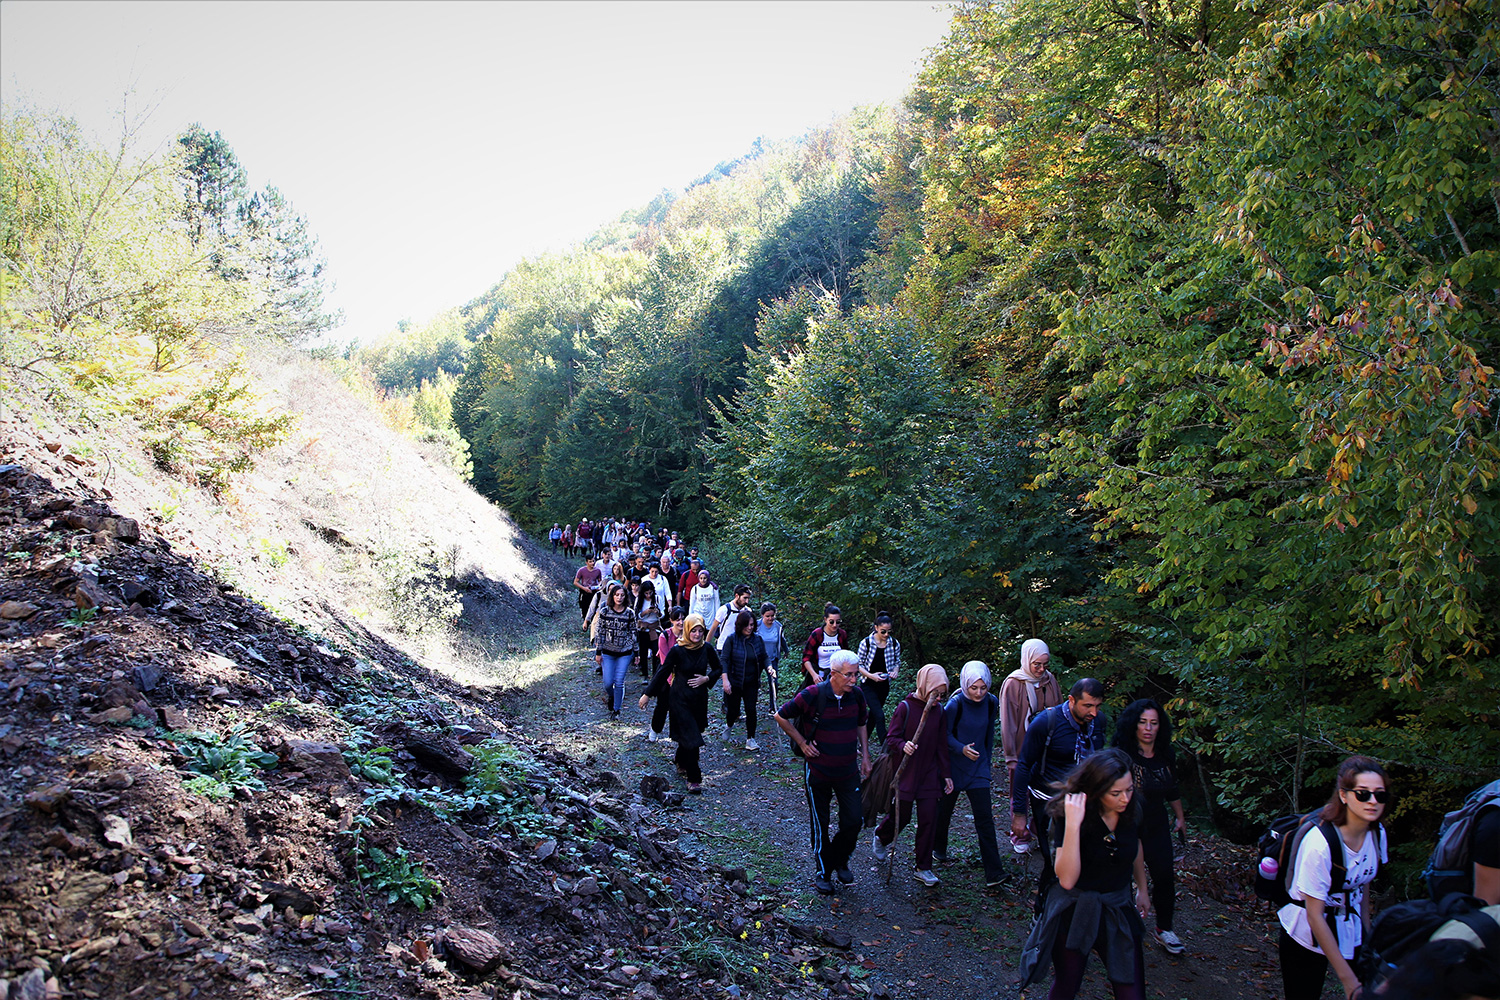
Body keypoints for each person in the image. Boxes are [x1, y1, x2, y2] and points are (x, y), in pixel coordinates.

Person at [1017, 748, 1150, 1000]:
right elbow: (1066, 879)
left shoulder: (1132, 810)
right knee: (1068, 982)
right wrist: (1074, 825)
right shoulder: (1070, 813)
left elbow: (1135, 847)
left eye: (1129, 789)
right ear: (1096, 791)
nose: (1125, 798)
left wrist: (1142, 888)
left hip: (1116, 906)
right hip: (1075, 908)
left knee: (1131, 988)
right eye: (1116, 793)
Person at [1279, 756, 1389, 1000]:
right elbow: (1314, 914)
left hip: (1352, 925)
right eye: (1362, 794)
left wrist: (1367, 938)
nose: (1372, 801)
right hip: (1305, 933)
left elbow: (1363, 885)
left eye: (1379, 795)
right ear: (1343, 795)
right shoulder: (1319, 844)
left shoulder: (1377, 833)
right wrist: (1348, 980)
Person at [774, 648, 871, 895]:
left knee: (854, 820)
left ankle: (838, 858)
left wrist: (866, 756)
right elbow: (781, 715)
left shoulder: (857, 696)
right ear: (833, 674)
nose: (853, 679)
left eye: (855, 674)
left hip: (848, 770)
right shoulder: (813, 694)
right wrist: (803, 743)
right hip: (818, 772)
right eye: (849, 675)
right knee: (821, 822)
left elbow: (862, 723)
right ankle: (823, 872)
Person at [1012, 678, 1109, 913]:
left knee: (1083, 856)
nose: (1093, 712)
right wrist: (1019, 813)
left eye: (1097, 706)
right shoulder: (1047, 722)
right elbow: (1024, 765)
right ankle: (1043, 910)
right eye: (1088, 706)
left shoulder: (1098, 723)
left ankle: (1076, 910)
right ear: (1072, 700)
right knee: (1053, 858)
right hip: (1047, 800)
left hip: (1083, 802)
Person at [1109, 699, 1188, 955]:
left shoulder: (1165, 753)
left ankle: (1164, 928)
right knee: (1121, 875)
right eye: (1143, 722)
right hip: (1126, 820)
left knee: (1164, 874)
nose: (1148, 728)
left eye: (1154, 723)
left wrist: (1180, 817)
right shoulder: (1123, 754)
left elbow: (1172, 788)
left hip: (1156, 821)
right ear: (1134, 724)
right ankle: (1116, 927)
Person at [871, 664, 954, 886]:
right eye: (935, 693)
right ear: (925, 686)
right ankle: (882, 836)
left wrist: (946, 774)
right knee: (903, 816)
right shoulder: (905, 707)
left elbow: (941, 744)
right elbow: (891, 737)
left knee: (929, 818)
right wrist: (903, 745)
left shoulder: (939, 711)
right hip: (906, 771)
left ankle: (923, 867)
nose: (938, 698)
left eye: (941, 695)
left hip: (928, 773)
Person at [933, 660, 1004, 887]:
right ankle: (938, 848)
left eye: (983, 688)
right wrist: (961, 748)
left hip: (978, 768)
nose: (979, 693)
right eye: (974, 688)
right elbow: (942, 735)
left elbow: (989, 735)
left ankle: (994, 872)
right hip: (953, 768)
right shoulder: (955, 704)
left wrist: (987, 762)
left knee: (984, 817)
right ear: (965, 684)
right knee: (944, 812)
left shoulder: (991, 702)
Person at [639, 614, 721, 793]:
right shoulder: (677, 650)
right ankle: (694, 779)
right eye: (694, 631)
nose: (697, 635)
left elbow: (719, 668)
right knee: (692, 737)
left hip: (698, 699)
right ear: (687, 630)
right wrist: (647, 694)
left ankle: (680, 758)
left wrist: (706, 679)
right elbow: (663, 671)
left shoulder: (706, 648)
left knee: (692, 732)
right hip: (679, 698)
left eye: (700, 631)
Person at [1001, 637, 1063, 855]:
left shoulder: (1050, 681)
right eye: (1036, 664)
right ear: (1027, 660)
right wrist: (1011, 754)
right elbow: (1008, 722)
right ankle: (1019, 833)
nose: (1041, 669)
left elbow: (1060, 711)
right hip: (1022, 747)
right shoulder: (1013, 683)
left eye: (1044, 664)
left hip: (1047, 749)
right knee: (1019, 792)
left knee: (1045, 789)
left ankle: (1041, 829)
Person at [719, 610, 768, 749]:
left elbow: (764, 656)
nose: (750, 628)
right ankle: (729, 725)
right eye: (746, 625)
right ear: (740, 625)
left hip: (751, 682)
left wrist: (769, 667)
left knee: (751, 709)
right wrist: (725, 680)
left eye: (752, 625)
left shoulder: (757, 640)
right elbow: (724, 660)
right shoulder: (732, 639)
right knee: (733, 711)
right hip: (735, 681)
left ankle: (750, 739)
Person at [593, 582, 638, 717]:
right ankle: (612, 696)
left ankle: (616, 709)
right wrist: (598, 652)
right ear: (612, 596)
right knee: (608, 683)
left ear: (625, 597)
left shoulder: (630, 613)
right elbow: (600, 632)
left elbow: (633, 633)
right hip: (607, 652)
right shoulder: (605, 612)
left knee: (619, 681)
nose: (619, 598)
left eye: (622, 595)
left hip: (624, 652)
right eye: (616, 595)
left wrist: (636, 652)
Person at [855, 613, 901, 743]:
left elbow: (897, 662)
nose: (886, 634)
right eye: (883, 631)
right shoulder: (867, 643)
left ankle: (862, 744)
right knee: (880, 715)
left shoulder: (894, 643)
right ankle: (886, 746)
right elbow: (858, 664)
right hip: (868, 684)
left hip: (884, 685)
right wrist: (871, 676)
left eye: (889, 631)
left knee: (874, 716)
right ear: (876, 628)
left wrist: (895, 671)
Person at [801, 605, 848, 686]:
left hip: (837, 675)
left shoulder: (842, 634)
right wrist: (814, 675)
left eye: (838, 622)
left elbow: (846, 655)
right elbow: (806, 658)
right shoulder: (817, 634)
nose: (835, 625)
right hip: (820, 675)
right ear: (825, 620)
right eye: (831, 622)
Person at [754, 602, 787, 715]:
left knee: (773, 682)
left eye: (772, 615)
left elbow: (781, 639)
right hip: (758, 659)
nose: (770, 618)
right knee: (754, 681)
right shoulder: (756, 625)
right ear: (763, 615)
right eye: (767, 616)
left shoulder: (778, 626)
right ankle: (752, 703)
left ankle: (773, 706)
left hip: (772, 658)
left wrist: (786, 650)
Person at [634, 580, 665, 680]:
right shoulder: (639, 600)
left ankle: (655, 673)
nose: (648, 595)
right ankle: (644, 674)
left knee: (656, 651)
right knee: (643, 651)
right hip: (643, 628)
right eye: (646, 593)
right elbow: (637, 615)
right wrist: (646, 612)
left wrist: (657, 612)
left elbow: (663, 613)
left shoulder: (657, 598)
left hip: (654, 628)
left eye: (650, 593)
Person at [712, 584, 754, 648]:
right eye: (745, 598)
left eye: (748, 598)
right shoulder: (724, 610)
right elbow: (713, 628)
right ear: (737, 596)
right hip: (723, 646)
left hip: (740, 648)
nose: (747, 601)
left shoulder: (747, 611)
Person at [573, 553, 602, 622]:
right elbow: (575, 582)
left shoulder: (598, 571)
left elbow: (600, 581)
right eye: (590, 561)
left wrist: (598, 587)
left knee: (594, 607)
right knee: (584, 608)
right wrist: (584, 588)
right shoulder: (581, 570)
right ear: (586, 562)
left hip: (594, 591)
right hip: (584, 591)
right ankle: (585, 622)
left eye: (593, 561)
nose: (592, 563)